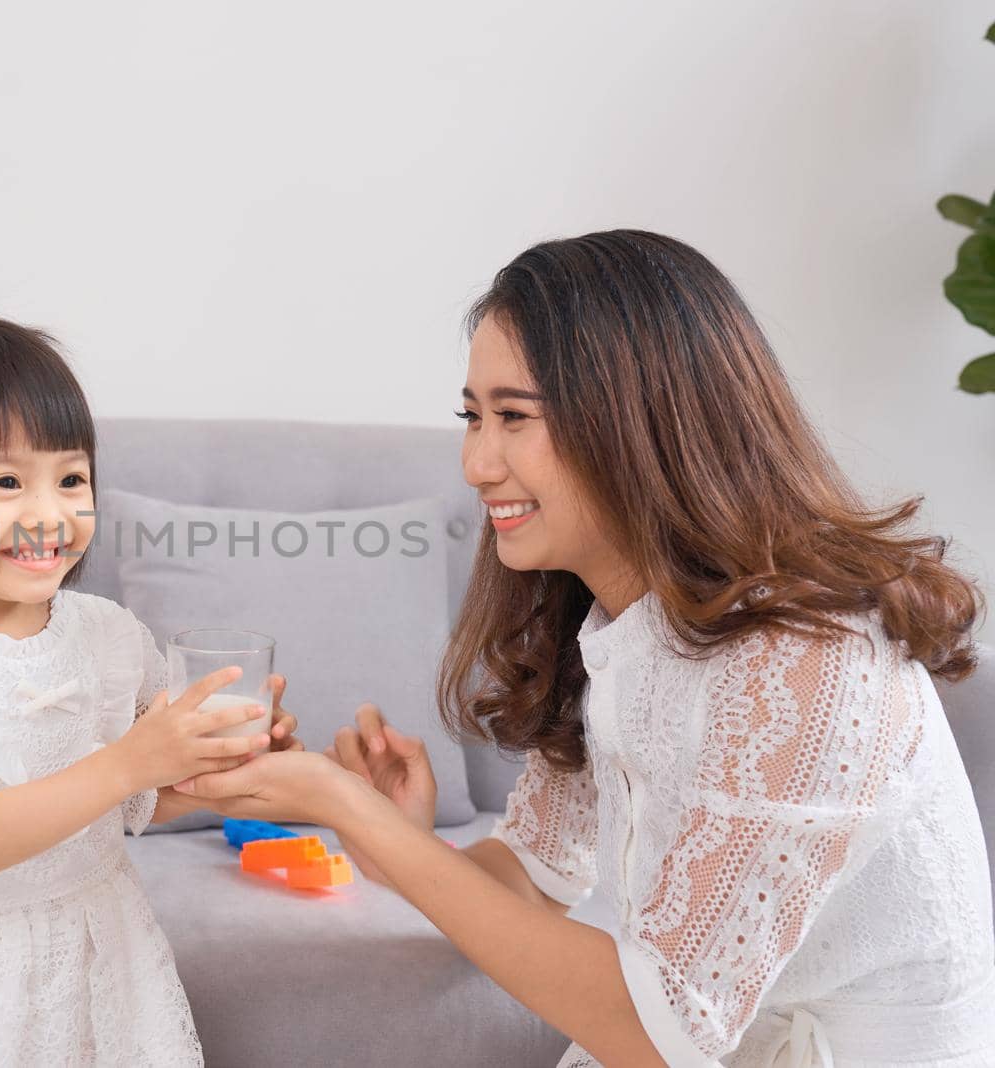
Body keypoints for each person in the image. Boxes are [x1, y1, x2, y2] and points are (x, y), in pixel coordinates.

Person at [174, 231, 995, 1066]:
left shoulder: (807, 663)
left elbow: (658, 1032)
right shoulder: (620, 631)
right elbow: (528, 884)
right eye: (472, 416)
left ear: (638, 419)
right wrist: (391, 831)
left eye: (513, 418)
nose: (475, 461)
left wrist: (342, 806)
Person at [0, 315, 301, 1067]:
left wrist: (207, 768)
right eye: (7, 481)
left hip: (99, 942)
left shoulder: (107, 635)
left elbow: (138, 797)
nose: (50, 514)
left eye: (70, 479)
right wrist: (131, 763)